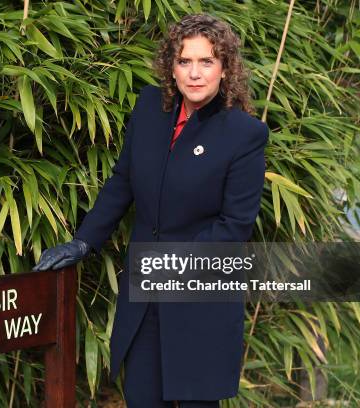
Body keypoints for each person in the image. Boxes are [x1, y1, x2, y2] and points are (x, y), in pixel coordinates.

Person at [33, 13, 269, 408]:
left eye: (206, 62)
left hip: (198, 300)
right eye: (184, 61)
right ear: (170, 67)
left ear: (225, 69)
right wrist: (84, 240)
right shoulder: (148, 109)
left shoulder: (244, 134)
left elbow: (235, 228)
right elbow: (123, 181)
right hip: (144, 302)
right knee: (141, 398)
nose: (194, 73)